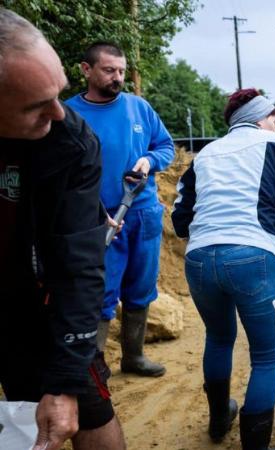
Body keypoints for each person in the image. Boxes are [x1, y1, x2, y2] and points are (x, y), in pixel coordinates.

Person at [0, 8, 126, 449]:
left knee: (80, 398)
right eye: (36, 104)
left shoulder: (70, 141)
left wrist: (67, 380)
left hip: (42, 296)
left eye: (60, 94)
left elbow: (80, 264)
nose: (58, 112)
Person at [172, 88, 275, 450]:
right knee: (266, 354)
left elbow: (180, 219)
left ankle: (219, 419)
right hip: (252, 255)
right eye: (274, 117)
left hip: (200, 258)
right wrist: (273, 225)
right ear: (262, 118)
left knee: (218, 338)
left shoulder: (205, 155)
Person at [65, 42, 173, 378]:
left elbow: (165, 146)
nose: (118, 78)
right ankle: (94, 365)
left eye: (122, 71)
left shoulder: (139, 108)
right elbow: (59, 173)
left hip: (143, 214)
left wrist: (149, 160)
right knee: (101, 293)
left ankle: (134, 357)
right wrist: (92, 212)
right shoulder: (69, 115)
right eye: (109, 70)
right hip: (100, 220)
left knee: (141, 289)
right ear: (86, 70)